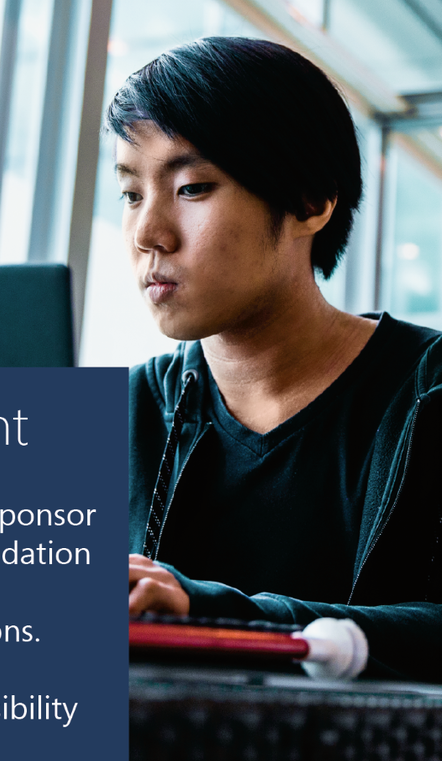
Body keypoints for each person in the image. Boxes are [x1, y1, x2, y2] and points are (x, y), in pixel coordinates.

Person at [109, 37, 442, 682]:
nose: (149, 233)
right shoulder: (128, 412)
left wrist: (207, 611)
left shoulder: (428, 391)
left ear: (312, 201)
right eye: (130, 193)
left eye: (193, 187)